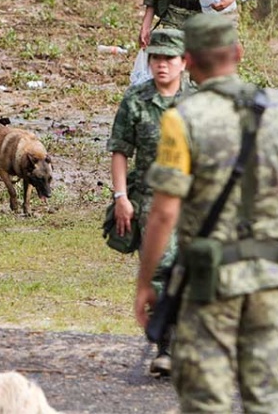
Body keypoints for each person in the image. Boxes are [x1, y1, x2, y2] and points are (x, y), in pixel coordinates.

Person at [134, 14, 278, 412]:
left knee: (207, 399)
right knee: (268, 397)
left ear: (188, 61)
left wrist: (145, 282)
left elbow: (163, 213)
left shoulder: (182, 119)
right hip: (272, 275)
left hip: (211, 282)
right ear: (238, 53)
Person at [107, 28, 193, 376]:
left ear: (184, 62)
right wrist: (121, 197)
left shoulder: (198, 101)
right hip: (149, 202)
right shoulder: (136, 100)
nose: (161, 65)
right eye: (155, 58)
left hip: (193, 200)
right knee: (159, 270)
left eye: (168, 59)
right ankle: (167, 347)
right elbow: (120, 149)